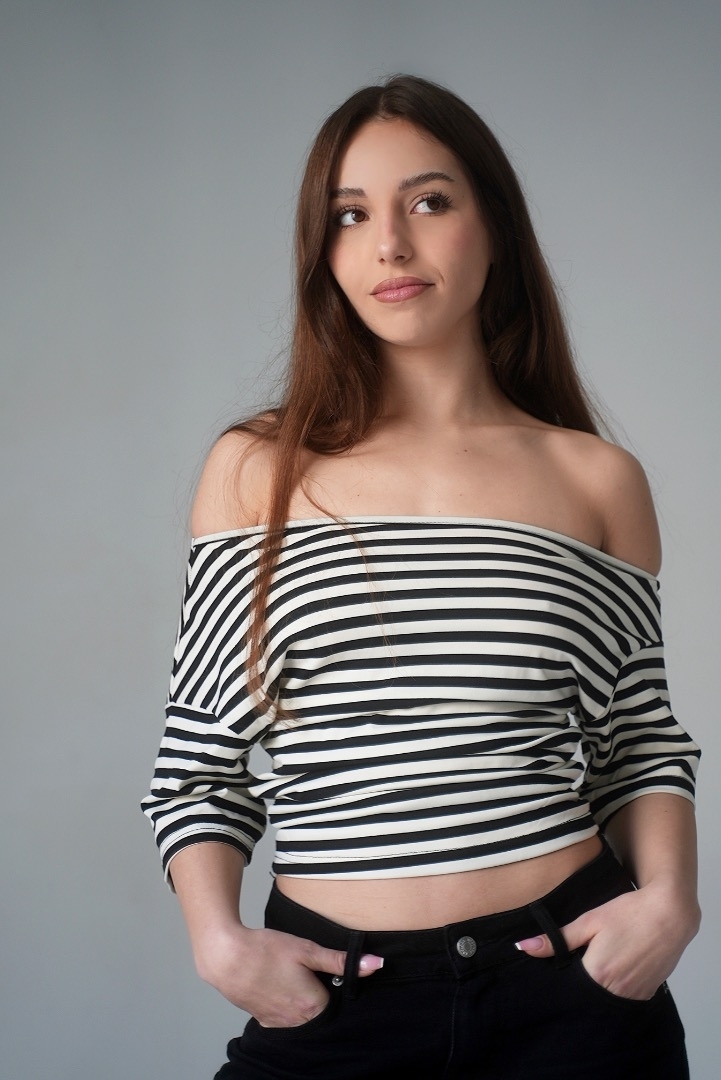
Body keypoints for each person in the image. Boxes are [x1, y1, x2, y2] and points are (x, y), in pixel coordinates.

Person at [142, 75, 701, 1079]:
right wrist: (218, 941)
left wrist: (669, 903)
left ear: (496, 228)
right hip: (335, 998)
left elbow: (637, 740)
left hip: (571, 998)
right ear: (324, 253)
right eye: (350, 215)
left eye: (428, 202)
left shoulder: (596, 479)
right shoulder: (258, 469)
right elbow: (198, 762)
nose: (390, 245)